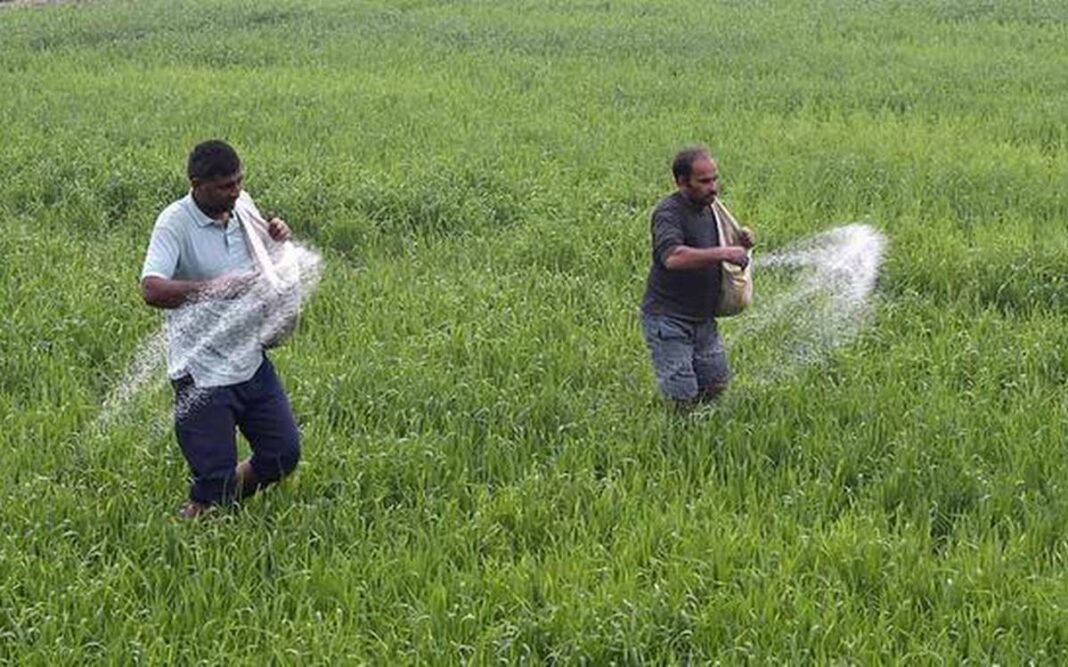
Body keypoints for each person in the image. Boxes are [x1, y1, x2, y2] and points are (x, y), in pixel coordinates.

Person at [140, 139, 301, 518]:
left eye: (239, 181)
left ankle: (221, 503)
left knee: (282, 454)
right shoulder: (174, 223)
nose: (237, 191)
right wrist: (214, 289)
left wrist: (276, 237)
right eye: (226, 186)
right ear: (197, 184)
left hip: (250, 360)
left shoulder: (241, 206)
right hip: (203, 372)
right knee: (213, 477)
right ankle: (200, 522)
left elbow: (264, 257)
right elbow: (151, 289)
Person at [640, 147, 755, 409]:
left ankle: (702, 432)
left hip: (703, 318)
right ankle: (676, 439)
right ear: (681, 182)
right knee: (682, 396)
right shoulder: (668, 214)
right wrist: (725, 252)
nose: (713, 187)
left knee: (715, 385)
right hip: (668, 319)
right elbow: (673, 258)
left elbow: (724, 244)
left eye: (714, 179)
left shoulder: (712, 209)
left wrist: (742, 243)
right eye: (704, 181)